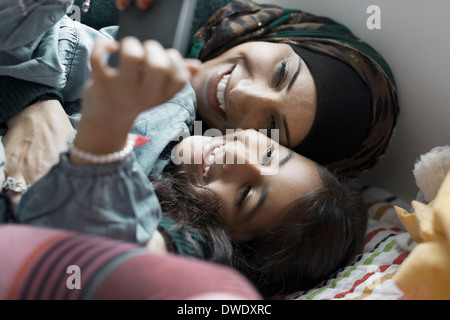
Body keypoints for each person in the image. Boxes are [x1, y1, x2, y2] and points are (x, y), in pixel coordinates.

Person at [5, 36, 368, 298]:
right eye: (270, 155)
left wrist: (107, 128)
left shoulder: (186, 237)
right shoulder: (173, 97)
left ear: (230, 242)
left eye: (245, 195)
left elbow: (133, 255)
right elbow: (51, 46)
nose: (238, 158)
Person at [0, 0, 399, 202]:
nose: (243, 94)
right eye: (280, 73)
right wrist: (33, 102)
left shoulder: (171, 167)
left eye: (270, 127)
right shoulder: (157, 12)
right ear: (281, 38)